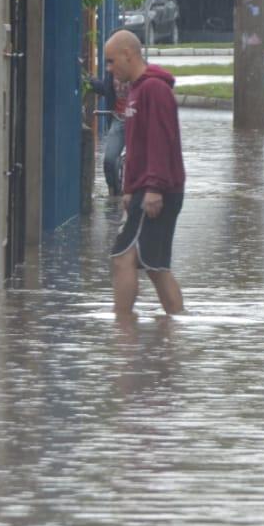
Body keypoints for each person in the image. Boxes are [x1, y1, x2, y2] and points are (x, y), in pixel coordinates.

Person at [104, 29, 186, 318]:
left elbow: (161, 141)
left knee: (123, 257)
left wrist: (153, 189)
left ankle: (122, 327)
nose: (109, 69)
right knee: (154, 266)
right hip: (145, 189)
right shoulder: (136, 91)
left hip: (157, 190)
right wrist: (129, 188)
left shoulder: (154, 90)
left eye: (111, 61)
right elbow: (136, 145)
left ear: (128, 54)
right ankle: (174, 325)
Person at [86, 69, 129, 195]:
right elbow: (106, 89)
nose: (110, 65)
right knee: (109, 161)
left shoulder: (140, 71)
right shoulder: (111, 73)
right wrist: (91, 82)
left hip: (139, 121)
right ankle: (113, 192)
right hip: (118, 119)